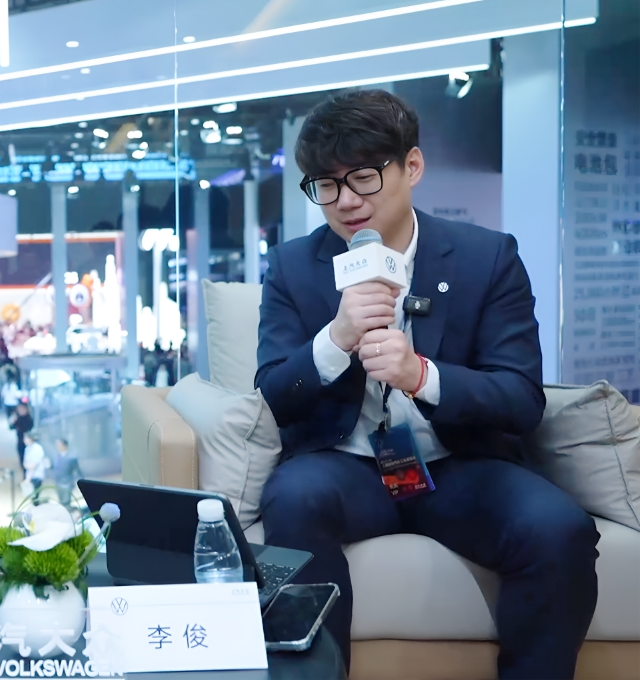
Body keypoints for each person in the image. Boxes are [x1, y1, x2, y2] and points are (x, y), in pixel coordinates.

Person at [255, 89, 598, 677]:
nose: (345, 201)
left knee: (558, 528)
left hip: (458, 465)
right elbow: (274, 395)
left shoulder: (487, 258)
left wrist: (421, 376)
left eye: (363, 178)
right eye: (326, 185)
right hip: (347, 467)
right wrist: (335, 338)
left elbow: (521, 400)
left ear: (411, 166)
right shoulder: (292, 266)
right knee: (293, 498)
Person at [48, 438, 83, 507]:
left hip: (67, 483)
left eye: (59, 444)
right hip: (58, 483)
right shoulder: (55, 457)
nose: (57, 446)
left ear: (64, 445)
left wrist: (82, 482)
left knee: (66, 503)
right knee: (61, 503)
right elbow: (54, 467)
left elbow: (77, 470)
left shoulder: (71, 457)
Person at [9, 401, 34, 473]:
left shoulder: (28, 419)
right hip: (20, 441)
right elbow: (12, 427)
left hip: (27, 442)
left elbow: (28, 429)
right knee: (21, 459)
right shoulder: (18, 418)